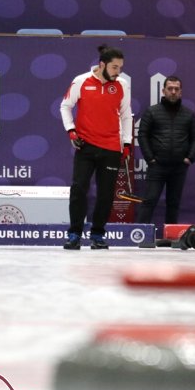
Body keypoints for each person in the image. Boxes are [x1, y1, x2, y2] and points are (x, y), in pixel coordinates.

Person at [60, 44, 132, 250]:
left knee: (106, 193)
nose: (118, 72)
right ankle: (74, 234)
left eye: (120, 67)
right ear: (102, 65)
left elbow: (126, 115)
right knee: (79, 189)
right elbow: (65, 106)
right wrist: (71, 130)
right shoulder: (80, 81)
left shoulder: (122, 84)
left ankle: (98, 235)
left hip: (111, 147)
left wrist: (126, 143)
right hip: (86, 146)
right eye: (115, 67)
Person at [136, 76, 195, 226]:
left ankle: (170, 237)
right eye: (170, 89)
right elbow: (142, 135)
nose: (173, 92)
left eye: (176, 89)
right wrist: (150, 158)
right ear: (163, 91)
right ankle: (139, 235)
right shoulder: (152, 112)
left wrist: (189, 158)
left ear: (181, 92)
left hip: (179, 166)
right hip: (157, 165)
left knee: (174, 203)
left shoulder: (189, 114)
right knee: (149, 200)